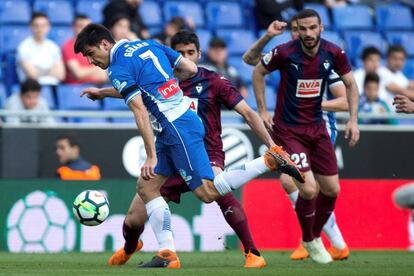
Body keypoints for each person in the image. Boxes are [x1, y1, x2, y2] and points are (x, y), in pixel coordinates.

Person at [75, 24, 303, 268]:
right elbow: (189, 68)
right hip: (177, 123)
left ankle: (268, 161)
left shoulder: (118, 67)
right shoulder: (147, 44)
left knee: (207, 193)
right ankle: (167, 254)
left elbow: (139, 109)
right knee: (147, 186)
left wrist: (151, 155)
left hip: (175, 128)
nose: (90, 61)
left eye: (90, 53)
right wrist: (105, 92)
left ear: (104, 44)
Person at [107, 30, 268, 268]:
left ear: (198, 54)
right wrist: (103, 93)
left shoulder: (214, 81)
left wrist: (272, 143)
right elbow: (134, 93)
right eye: (180, 53)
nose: (186, 57)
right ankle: (131, 247)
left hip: (206, 152)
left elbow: (247, 113)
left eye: (190, 53)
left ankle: (253, 253)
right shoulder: (161, 80)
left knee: (218, 193)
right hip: (171, 153)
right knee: (133, 217)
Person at [251, 9, 360, 264]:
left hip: (317, 129)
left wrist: (354, 120)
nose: (308, 33)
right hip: (288, 130)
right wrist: (263, 110)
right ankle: (312, 238)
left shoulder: (334, 53)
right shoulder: (285, 52)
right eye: (303, 28)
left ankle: (312, 238)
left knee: (332, 190)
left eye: (313, 28)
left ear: (321, 27)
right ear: (296, 30)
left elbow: (351, 86)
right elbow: (257, 71)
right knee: (308, 189)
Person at [17, 12, 65, 86]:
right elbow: (33, 75)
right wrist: (51, 70)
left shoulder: (53, 46)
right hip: (31, 89)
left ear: (48, 27)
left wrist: (39, 70)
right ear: (31, 27)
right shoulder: (23, 47)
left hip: (53, 87)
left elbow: (61, 75)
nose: (40, 29)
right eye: (36, 26)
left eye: (43, 26)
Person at [62, 14, 107, 84]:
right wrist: (97, 69)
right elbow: (78, 73)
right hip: (76, 90)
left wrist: (85, 72)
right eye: (81, 26)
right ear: (73, 27)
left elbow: (103, 76)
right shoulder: (68, 46)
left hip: (96, 87)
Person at [378, 45, 414, 110]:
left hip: (397, 115)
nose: (398, 62)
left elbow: (409, 84)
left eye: (401, 59)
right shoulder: (381, 72)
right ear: (388, 58)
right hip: (384, 116)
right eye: (395, 58)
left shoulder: (398, 74)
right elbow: (403, 92)